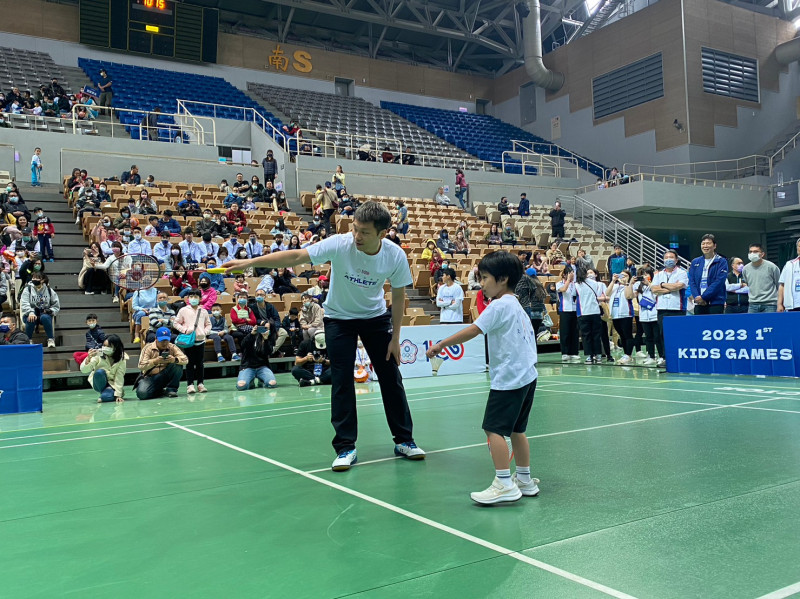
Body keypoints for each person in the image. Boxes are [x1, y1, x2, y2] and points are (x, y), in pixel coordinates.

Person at [224, 201, 425, 471]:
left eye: (364, 232)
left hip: (375, 318)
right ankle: (345, 447)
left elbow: (399, 296)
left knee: (390, 377)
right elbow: (296, 256)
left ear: (382, 233)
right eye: (355, 229)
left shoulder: (395, 255)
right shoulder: (340, 244)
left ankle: (405, 440)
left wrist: (395, 337)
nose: (357, 236)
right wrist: (251, 262)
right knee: (341, 380)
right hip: (338, 318)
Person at [426, 251, 538, 505]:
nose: (482, 283)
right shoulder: (516, 304)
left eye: (485, 278)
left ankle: (504, 484)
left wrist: (441, 344)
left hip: (509, 378)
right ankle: (524, 479)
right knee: (517, 430)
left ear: (502, 279)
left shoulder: (498, 305)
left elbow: (474, 330)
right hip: (527, 375)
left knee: (494, 429)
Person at [652, 250, 688, 367]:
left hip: (677, 308)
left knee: (678, 334)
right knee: (662, 334)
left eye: (671, 257)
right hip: (662, 308)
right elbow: (653, 289)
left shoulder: (682, 273)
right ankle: (665, 358)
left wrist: (661, 285)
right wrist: (670, 288)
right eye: (666, 257)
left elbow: (679, 286)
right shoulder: (658, 275)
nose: (668, 259)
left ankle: (679, 357)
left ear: (676, 260)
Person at [173, 289, 211, 394]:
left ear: (200, 299)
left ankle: (200, 384)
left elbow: (208, 324)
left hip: (200, 340)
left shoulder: (203, 311)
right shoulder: (183, 310)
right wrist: (185, 330)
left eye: (195, 297)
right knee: (189, 363)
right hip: (189, 341)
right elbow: (176, 323)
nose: (193, 299)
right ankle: (190, 385)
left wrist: (205, 332)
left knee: (200, 363)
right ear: (188, 298)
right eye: (191, 296)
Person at [135, 327, 188, 399]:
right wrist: (155, 361)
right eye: (162, 340)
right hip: (150, 377)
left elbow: (185, 360)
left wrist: (174, 360)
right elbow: (141, 366)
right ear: (156, 338)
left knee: (178, 364)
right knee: (142, 394)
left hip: (165, 374)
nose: (165, 343)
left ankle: (171, 389)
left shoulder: (172, 347)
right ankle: (159, 391)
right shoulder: (148, 348)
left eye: (166, 340)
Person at [80, 334, 128, 403]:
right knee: (99, 372)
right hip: (98, 382)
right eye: (104, 345)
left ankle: (108, 393)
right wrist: (88, 358)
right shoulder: (98, 354)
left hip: (112, 384)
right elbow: (84, 370)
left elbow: (119, 377)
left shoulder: (122, 358)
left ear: (116, 347)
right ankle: (108, 392)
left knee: (104, 398)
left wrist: (118, 395)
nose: (105, 348)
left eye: (109, 346)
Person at [687, 234, 728, 315]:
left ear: (714, 246)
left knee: (715, 327)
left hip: (715, 303)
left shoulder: (721, 261)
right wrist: (697, 297)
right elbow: (692, 281)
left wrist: (704, 297)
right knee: (699, 327)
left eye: (708, 243)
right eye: (703, 243)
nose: (705, 246)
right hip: (699, 303)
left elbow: (719, 282)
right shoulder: (695, 262)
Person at [574, 265, 606, 364]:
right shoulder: (595, 283)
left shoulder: (576, 285)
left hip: (583, 312)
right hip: (595, 311)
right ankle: (599, 355)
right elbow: (598, 294)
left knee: (586, 335)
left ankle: (589, 356)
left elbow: (573, 297)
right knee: (596, 334)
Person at [21, 274, 59, 348]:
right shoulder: (27, 289)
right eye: (33, 277)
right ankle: (28, 340)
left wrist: (49, 310)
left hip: (44, 312)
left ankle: (51, 339)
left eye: (37, 278)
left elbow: (56, 305)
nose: (34, 279)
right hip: (30, 313)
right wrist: (30, 312)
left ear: (42, 280)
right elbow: (24, 303)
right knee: (31, 318)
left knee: (45, 318)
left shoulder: (49, 290)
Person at [606, 272, 635, 365]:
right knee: (621, 335)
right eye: (621, 275)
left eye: (625, 275)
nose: (622, 277)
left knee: (627, 335)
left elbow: (629, 296)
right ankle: (626, 354)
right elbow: (607, 293)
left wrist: (627, 283)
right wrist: (613, 280)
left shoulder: (631, 285)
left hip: (626, 313)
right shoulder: (615, 286)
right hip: (615, 314)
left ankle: (628, 354)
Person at [633, 267, 660, 366]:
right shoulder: (637, 285)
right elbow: (630, 295)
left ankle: (661, 356)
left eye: (647, 274)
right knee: (648, 337)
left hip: (655, 314)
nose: (645, 276)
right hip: (644, 315)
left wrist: (649, 283)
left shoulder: (655, 284)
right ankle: (651, 356)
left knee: (658, 337)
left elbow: (657, 293)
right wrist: (631, 283)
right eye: (642, 274)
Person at [742, 243, 780, 313]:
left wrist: (780, 303)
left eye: (755, 251)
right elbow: (748, 283)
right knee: (752, 324)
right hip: (752, 304)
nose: (752, 253)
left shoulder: (772, 267)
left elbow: (779, 285)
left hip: (770, 304)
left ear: (762, 254)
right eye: (750, 252)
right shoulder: (745, 269)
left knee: (769, 324)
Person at [556, 265, 579, 362]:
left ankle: (573, 352)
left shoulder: (576, 284)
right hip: (565, 310)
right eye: (570, 274)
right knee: (565, 332)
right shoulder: (559, 283)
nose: (572, 276)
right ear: (565, 275)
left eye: (573, 274)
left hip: (574, 310)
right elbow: (563, 290)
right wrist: (568, 281)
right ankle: (565, 353)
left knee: (574, 332)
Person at [516, 267, 547, 332]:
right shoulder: (539, 283)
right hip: (539, 313)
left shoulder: (526, 281)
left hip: (531, 310)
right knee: (534, 334)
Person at [778, 238, 800, 312]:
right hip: (793, 306)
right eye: (799, 246)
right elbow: (782, 285)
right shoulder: (789, 264)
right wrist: (779, 304)